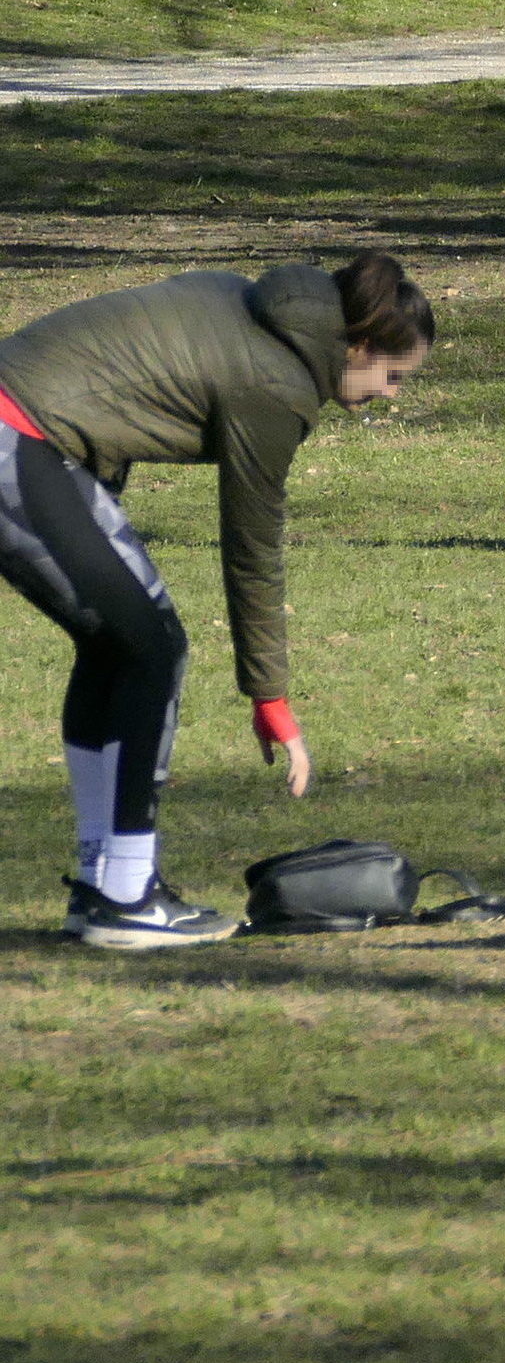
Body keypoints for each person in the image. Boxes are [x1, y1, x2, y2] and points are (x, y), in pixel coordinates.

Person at [0, 250, 435, 950]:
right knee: (151, 647)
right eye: (393, 375)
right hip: (18, 438)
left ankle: (104, 883)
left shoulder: (251, 302)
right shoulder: (278, 382)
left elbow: (124, 384)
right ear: (356, 344)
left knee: (120, 643)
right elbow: (252, 544)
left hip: (33, 434)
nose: (391, 393)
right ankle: (124, 896)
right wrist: (270, 695)